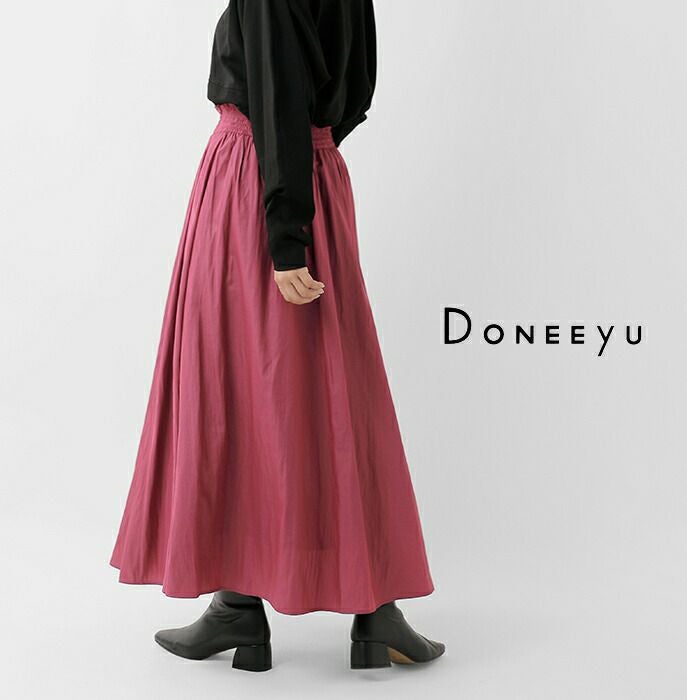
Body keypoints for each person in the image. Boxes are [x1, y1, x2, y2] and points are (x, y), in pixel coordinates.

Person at [110, 0, 445, 672]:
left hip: (256, 183)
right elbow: (356, 89)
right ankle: (322, 608)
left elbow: (278, 90)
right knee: (324, 391)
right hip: (308, 174)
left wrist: (285, 233)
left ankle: (260, 605)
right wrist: (308, 168)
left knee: (239, 388)